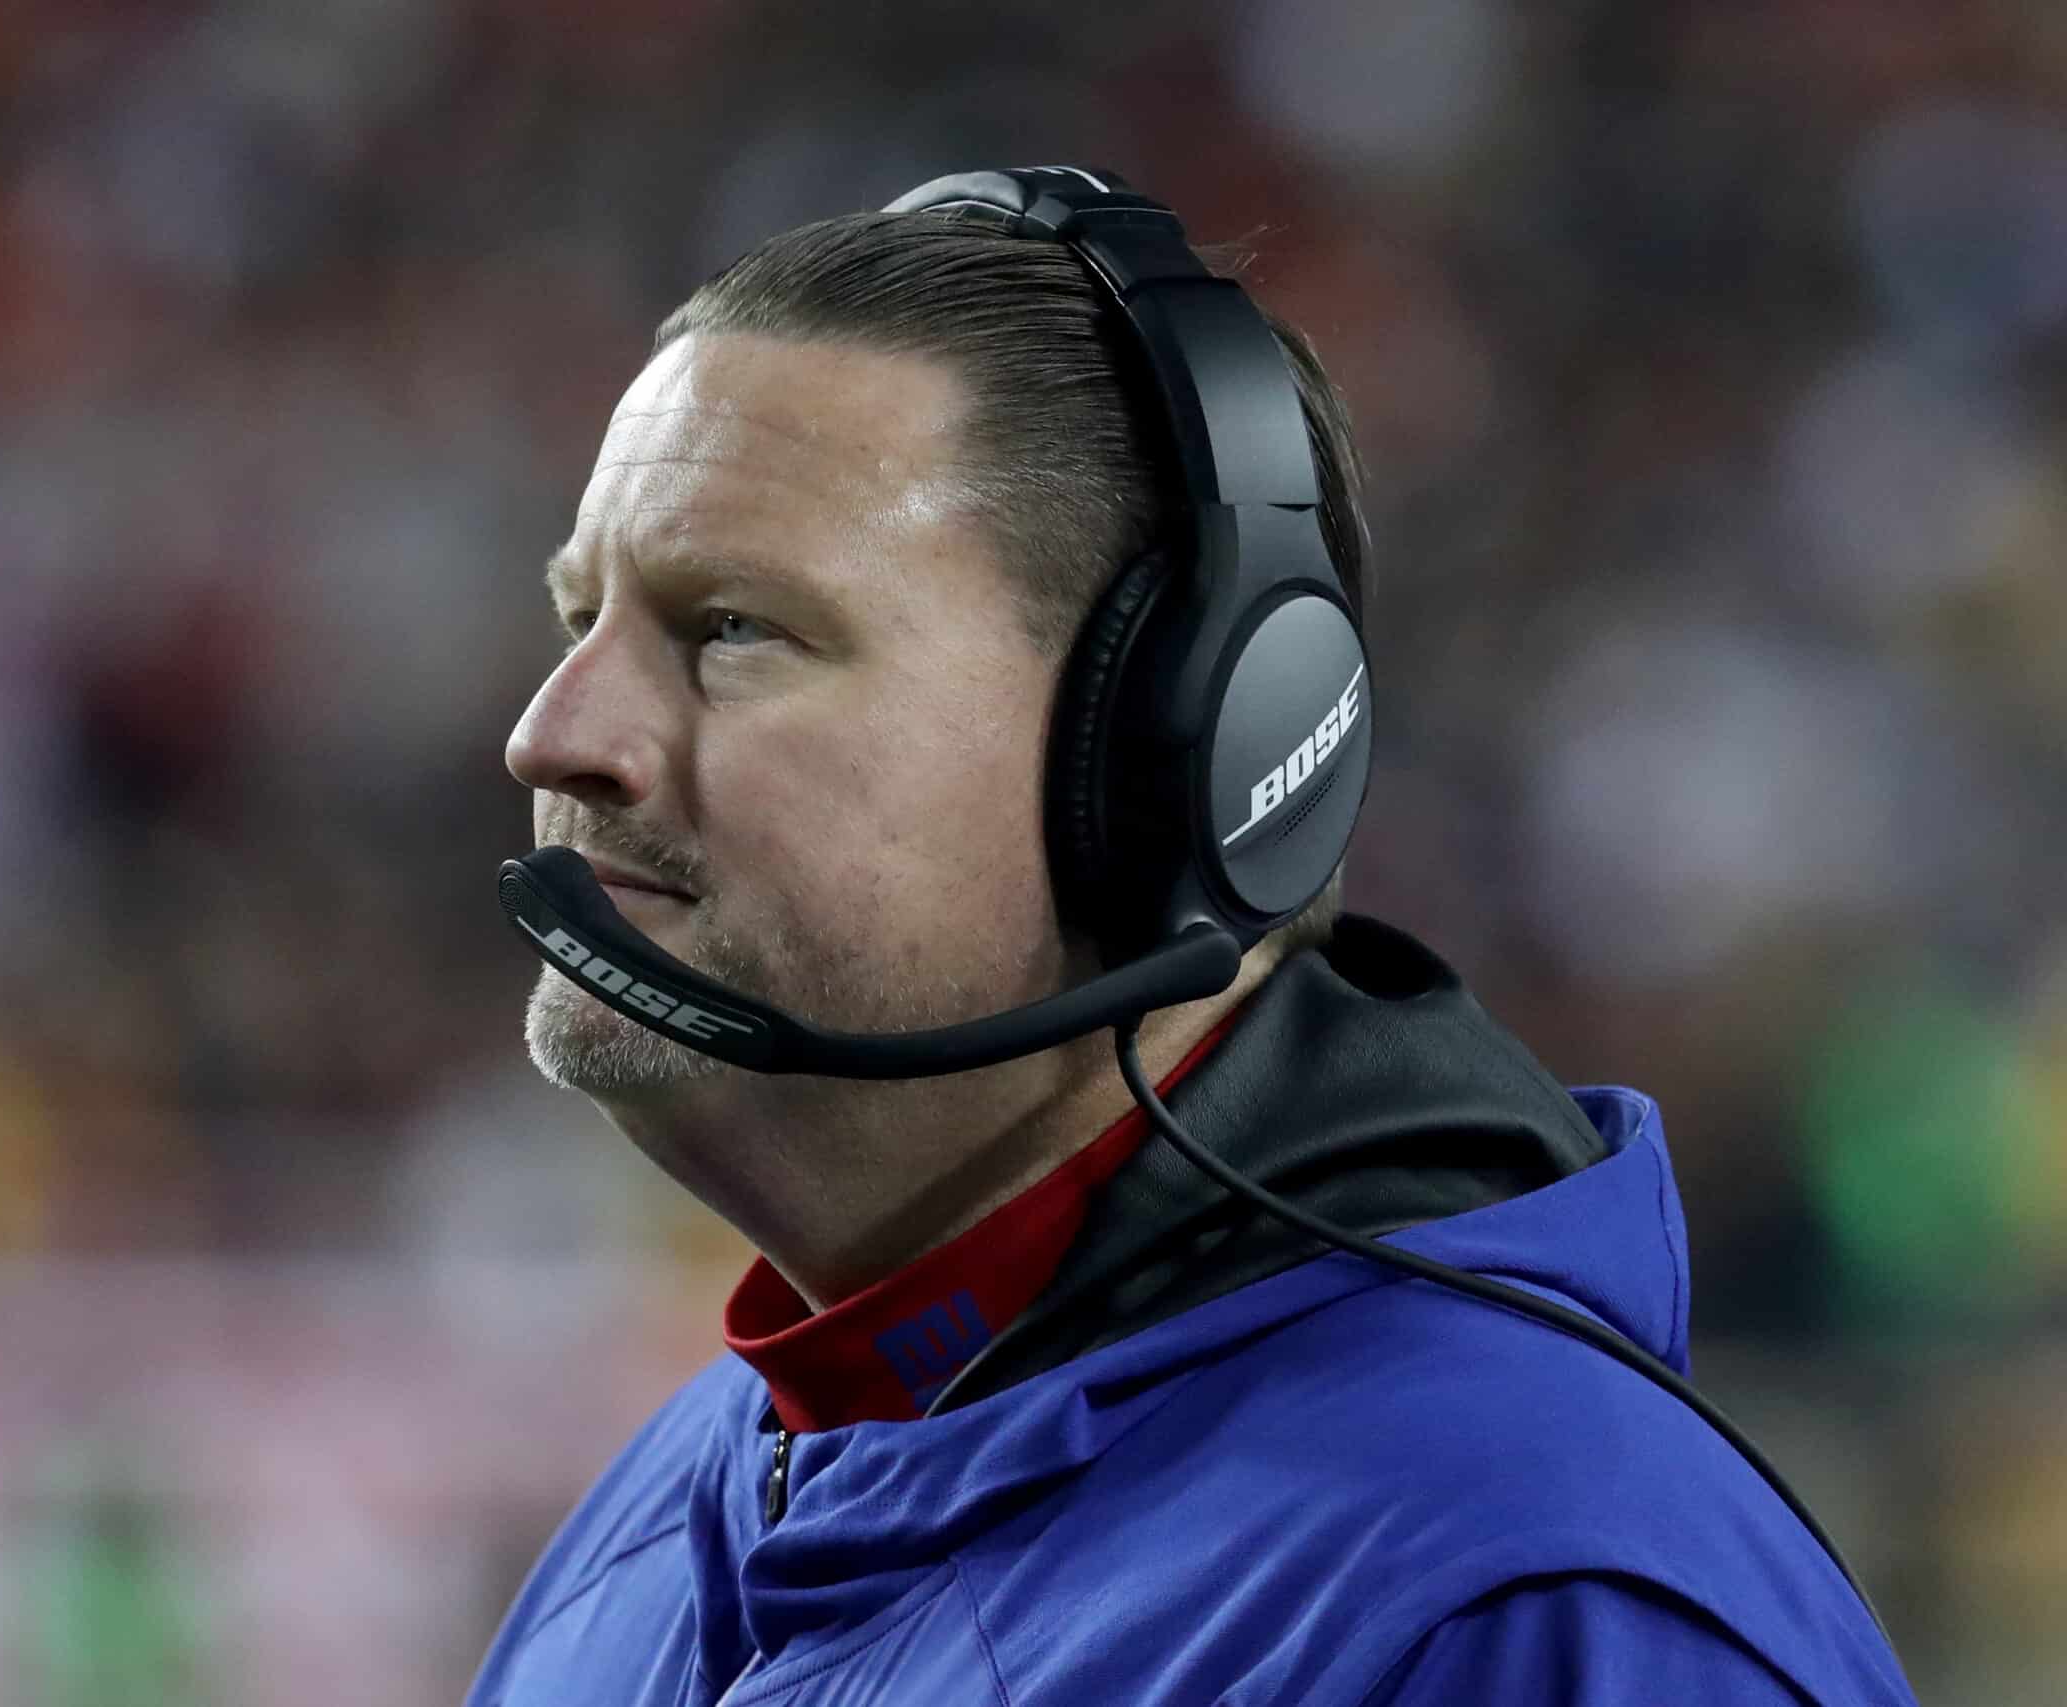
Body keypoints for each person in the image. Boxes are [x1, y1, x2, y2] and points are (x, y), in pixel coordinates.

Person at [470, 170, 1919, 1705]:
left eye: (732, 631)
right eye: (583, 623)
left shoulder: (1529, 1606)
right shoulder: (652, 1529)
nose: (554, 738)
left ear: (1171, 765)